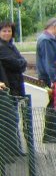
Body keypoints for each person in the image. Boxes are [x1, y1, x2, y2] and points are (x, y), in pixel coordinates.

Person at [35, 18, 56, 143]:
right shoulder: (46, 40)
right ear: (53, 27)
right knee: (54, 103)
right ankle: (50, 134)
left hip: (51, 76)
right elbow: (49, 62)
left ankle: (54, 133)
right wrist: (55, 79)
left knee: (55, 103)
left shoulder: (48, 39)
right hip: (51, 77)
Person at [0, 20, 28, 156]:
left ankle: (15, 148)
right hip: (7, 88)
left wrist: (21, 63)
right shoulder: (1, 47)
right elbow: (15, 63)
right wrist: (21, 63)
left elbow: (21, 62)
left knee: (14, 118)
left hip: (14, 87)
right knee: (11, 119)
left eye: (9, 31)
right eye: (4, 31)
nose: (7, 33)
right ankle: (12, 149)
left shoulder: (10, 46)